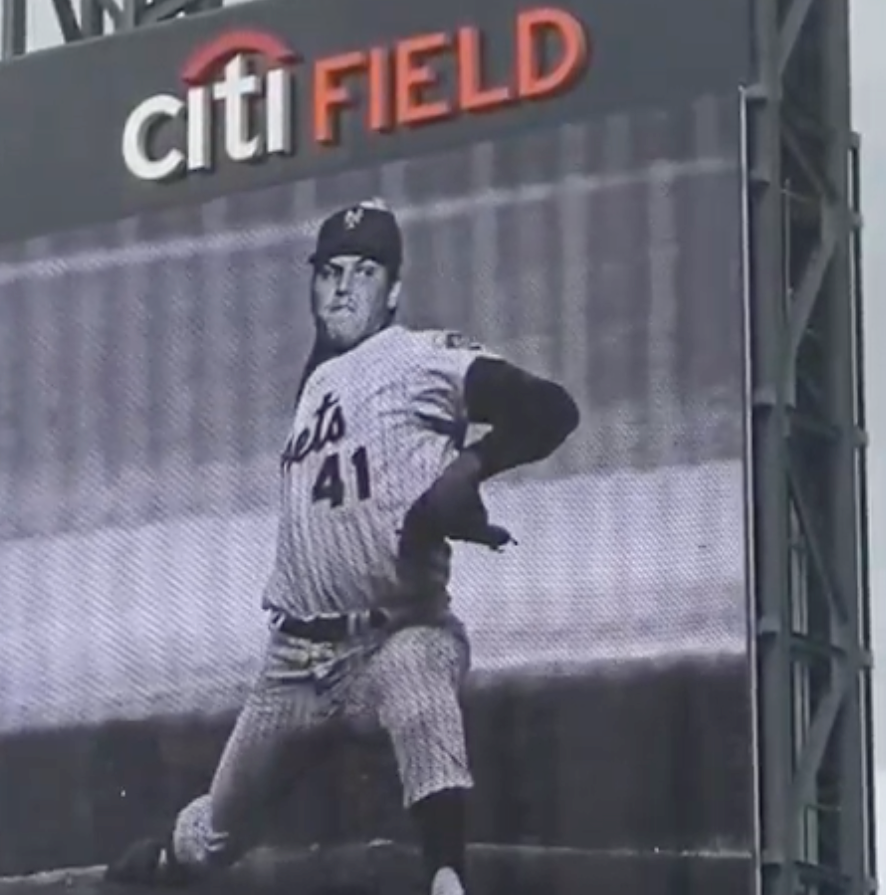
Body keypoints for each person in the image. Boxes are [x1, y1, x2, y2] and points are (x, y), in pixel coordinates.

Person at [106, 199, 580, 894]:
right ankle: (161, 863)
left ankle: (447, 878)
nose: (343, 287)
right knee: (214, 837)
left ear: (393, 290)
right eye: (329, 272)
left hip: (395, 636)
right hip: (294, 665)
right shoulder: (316, 385)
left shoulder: (424, 358)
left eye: (364, 271)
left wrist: (470, 467)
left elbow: (551, 408)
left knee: (421, 681)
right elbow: (329, 349)